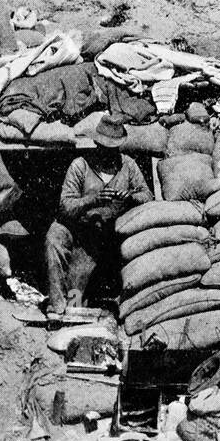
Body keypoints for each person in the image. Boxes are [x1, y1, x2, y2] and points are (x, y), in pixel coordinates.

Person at [43, 115, 154, 314]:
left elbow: (148, 196)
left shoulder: (127, 165)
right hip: (74, 227)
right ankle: (56, 308)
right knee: (54, 238)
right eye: (105, 147)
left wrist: (130, 197)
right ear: (96, 144)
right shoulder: (80, 165)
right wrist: (93, 199)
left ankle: (72, 307)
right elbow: (65, 206)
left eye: (113, 148)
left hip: (99, 236)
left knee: (77, 285)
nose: (109, 152)